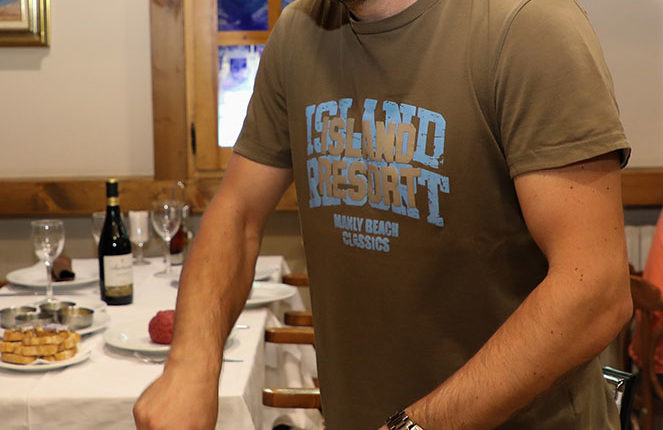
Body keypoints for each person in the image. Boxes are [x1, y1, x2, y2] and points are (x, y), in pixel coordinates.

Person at [133, 0, 633, 428]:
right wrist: (191, 364)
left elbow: (594, 290)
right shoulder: (298, 31)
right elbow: (238, 212)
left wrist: (414, 426)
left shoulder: (528, 26)